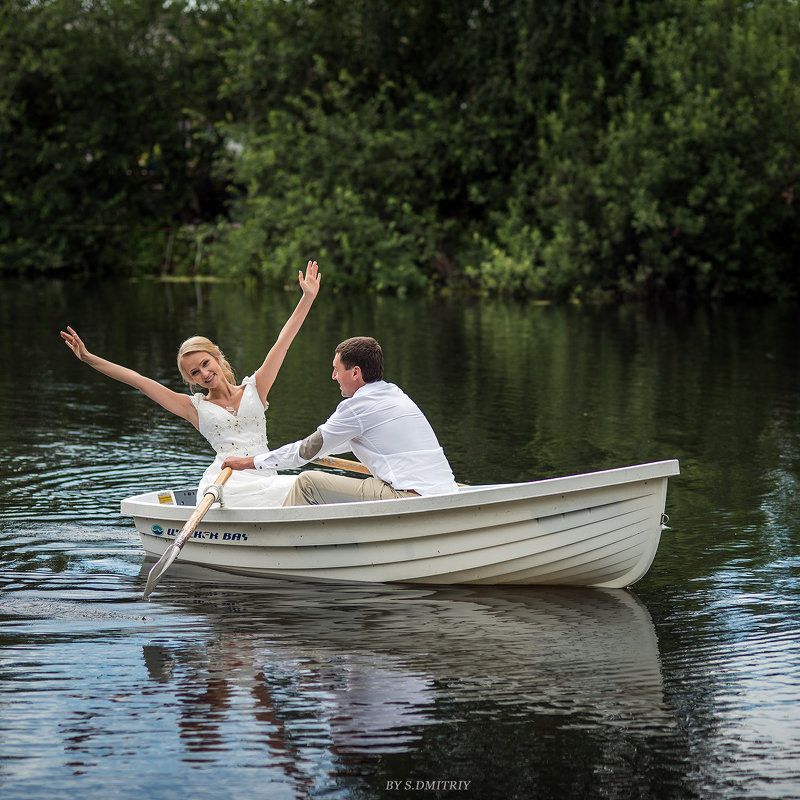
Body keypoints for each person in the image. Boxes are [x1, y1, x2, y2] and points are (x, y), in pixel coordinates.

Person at [61, 261, 321, 507]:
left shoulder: (256, 388)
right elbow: (139, 381)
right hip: (226, 482)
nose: (204, 373)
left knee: (305, 484)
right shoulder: (194, 408)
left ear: (217, 358)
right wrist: (88, 358)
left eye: (206, 363)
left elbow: (282, 344)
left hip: (265, 474)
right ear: (191, 380)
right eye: (195, 372)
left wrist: (307, 297)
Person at [222, 336, 458, 505]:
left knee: (307, 483)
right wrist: (309, 452)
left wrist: (249, 462)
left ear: (355, 373)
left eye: (337, 369)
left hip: (410, 498)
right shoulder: (394, 394)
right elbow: (329, 445)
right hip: (446, 492)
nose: (333, 376)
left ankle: (279, 548)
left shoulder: (356, 408)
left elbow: (306, 451)